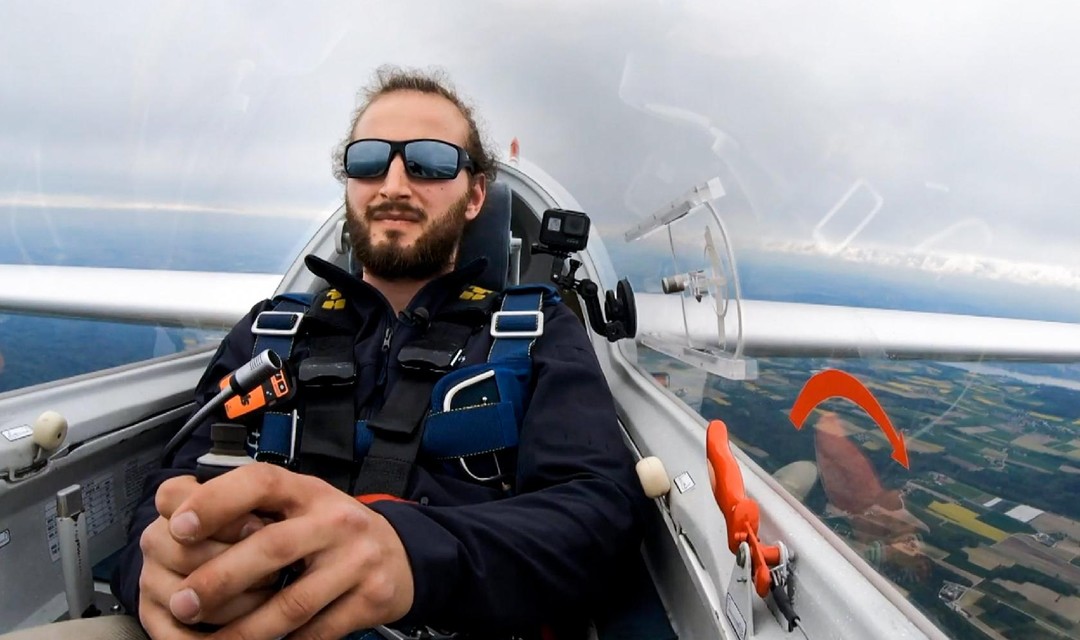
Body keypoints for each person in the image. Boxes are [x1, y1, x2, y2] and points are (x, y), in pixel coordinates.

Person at [110, 66, 650, 640]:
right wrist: (157, 573)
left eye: (430, 162)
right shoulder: (270, 335)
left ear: (474, 196)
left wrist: (414, 558)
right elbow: (166, 496)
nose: (393, 183)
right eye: (369, 160)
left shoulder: (537, 331)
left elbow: (599, 517)